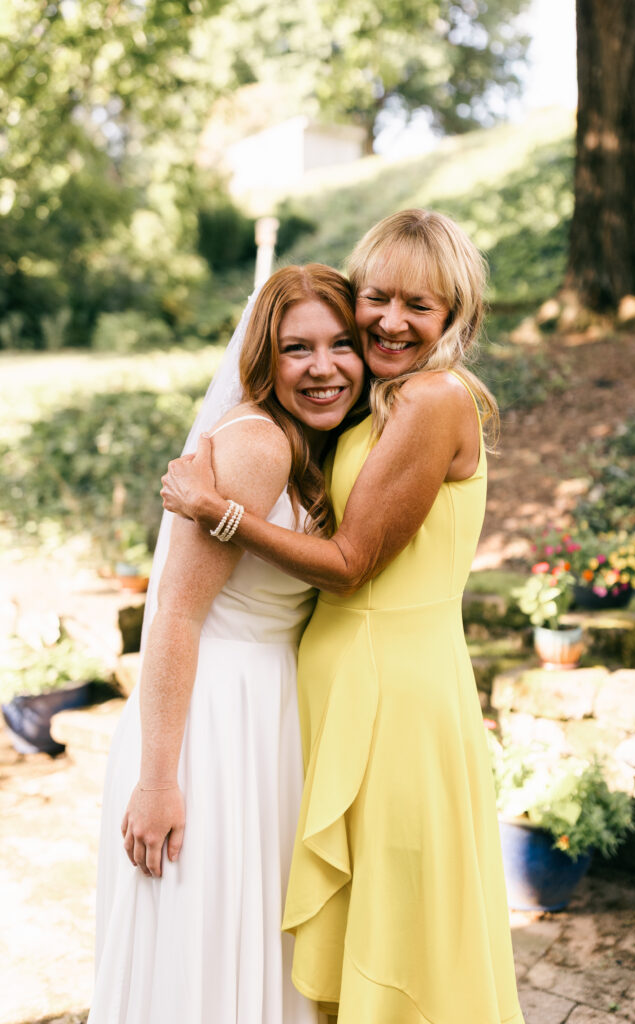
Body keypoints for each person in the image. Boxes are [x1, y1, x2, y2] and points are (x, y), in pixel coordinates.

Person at [161, 209, 525, 1024]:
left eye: (419, 307)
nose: (391, 321)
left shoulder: (432, 399)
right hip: (346, 693)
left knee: (398, 930)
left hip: (392, 700)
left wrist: (217, 510)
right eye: (377, 297)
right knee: (371, 917)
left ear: (454, 319)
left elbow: (352, 562)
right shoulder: (379, 400)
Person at [88, 264, 366, 1024]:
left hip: (266, 715)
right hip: (210, 724)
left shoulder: (307, 444)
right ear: (262, 356)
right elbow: (175, 614)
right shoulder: (258, 445)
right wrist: (156, 780)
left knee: (243, 942)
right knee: (204, 947)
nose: (321, 368)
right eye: (295, 348)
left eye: (341, 344)